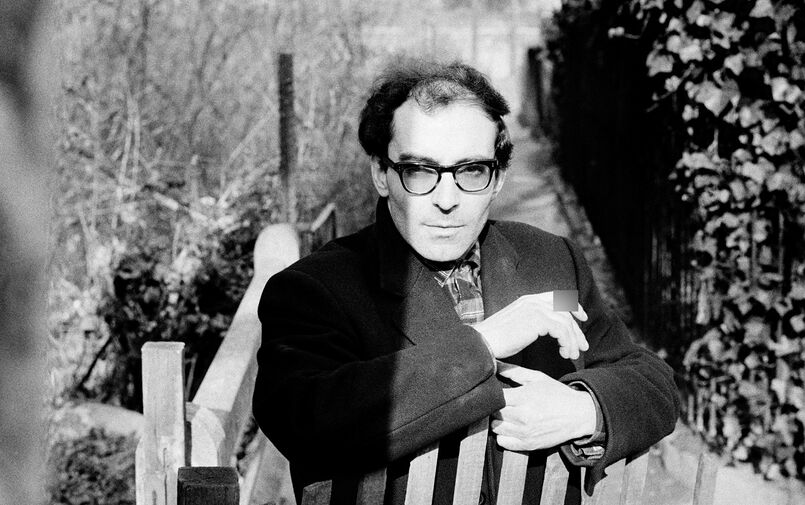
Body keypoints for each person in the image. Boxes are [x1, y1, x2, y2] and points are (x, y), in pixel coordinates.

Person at [252, 60, 679, 504]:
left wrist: (584, 409)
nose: (447, 199)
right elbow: (307, 423)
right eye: (420, 171)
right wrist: (484, 344)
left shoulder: (551, 265)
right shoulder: (315, 289)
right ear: (381, 173)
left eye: (471, 171)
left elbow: (650, 379)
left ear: (498, 178)